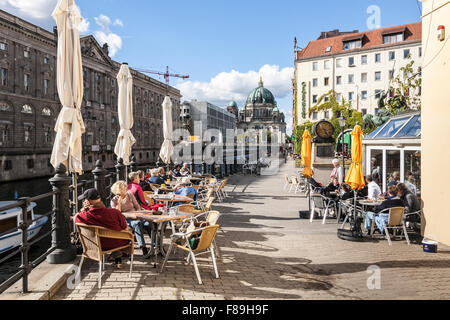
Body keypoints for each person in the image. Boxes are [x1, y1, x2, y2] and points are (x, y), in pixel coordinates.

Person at [74, 188, 130, 268]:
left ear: (87, 202)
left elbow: (75, 218)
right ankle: (118, 259)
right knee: (116, 232)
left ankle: (115, 259)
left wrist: (84, 209)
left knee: (107, 234)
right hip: (117, 243)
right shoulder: (115, 212)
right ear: (99, 199)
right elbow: (125, 229)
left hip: (96, 244)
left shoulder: (85, 216)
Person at [110, 181, 151, 258]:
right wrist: (119, 203)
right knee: (136, 224)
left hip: (136, 216)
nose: (124, 192)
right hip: (126, 219)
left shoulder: (129, 195)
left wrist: (139, 214)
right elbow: (117, 214)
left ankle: (157, 246)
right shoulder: (114, 200)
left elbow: (137, 206)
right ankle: (143, 247)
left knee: (149, 224)